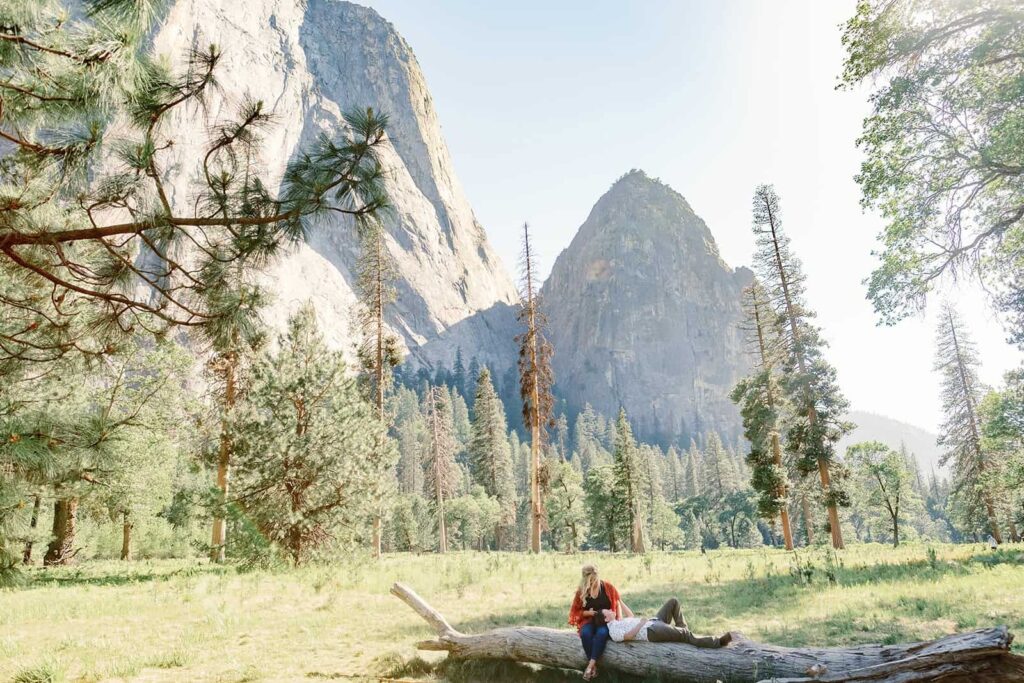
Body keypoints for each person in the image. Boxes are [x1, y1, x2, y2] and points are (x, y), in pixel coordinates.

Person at [568, 565, 630, 680]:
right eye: (590, 581)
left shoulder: (608, 587)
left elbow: (617, 603)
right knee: (585, 634)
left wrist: (619, 620)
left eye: (594, 580)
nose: (592, 584)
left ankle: (590, 667)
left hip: (605, 621)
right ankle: (594, 667)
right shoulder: (581, 591)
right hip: (589, 620)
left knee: (601, 634)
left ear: (598, 577)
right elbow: (575, 612)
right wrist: (588, 613)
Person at [602, 597, 732, 648]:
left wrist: (618, 599)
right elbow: (628, 636)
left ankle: (682, 633)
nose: (611, 609)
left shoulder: (618, 621)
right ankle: (718, 642)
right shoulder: (613, 630)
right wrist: (641, 624)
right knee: (685, 634)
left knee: (673, 602)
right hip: (651, 631)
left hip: (653, 622)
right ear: (605, 619)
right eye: (607, 611)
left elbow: (630, 615)